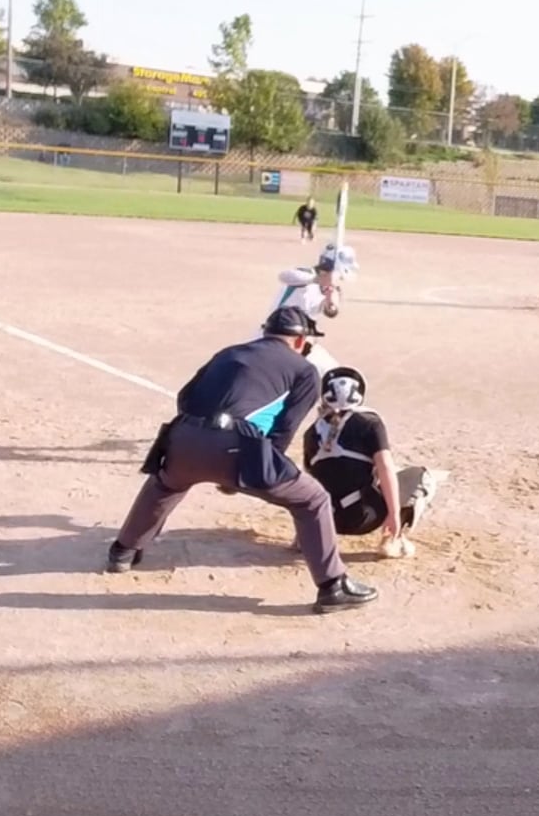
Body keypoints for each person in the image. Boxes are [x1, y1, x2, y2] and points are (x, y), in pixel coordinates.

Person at [105, 306, 377, 614]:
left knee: (165, 485)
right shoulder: (304, 371)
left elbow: (185, 397)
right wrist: (248, 472)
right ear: (301, 341)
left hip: (182, 437)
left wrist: (196, 443)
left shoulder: (228, 353)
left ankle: (123, 551)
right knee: (312, 499)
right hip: (237, 446)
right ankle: (332, 586)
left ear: (266, 332)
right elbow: (283, 431)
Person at [303, 366, 443, 557]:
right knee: (420, 477)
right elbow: (385, 467)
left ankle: (309, 536)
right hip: (364, 517)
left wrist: (304, 529)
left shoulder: (311, 433)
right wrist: (393, 514)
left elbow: (309, 482)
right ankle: (394, 538)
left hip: (325, 521)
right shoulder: (369, 423)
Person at [267, 246, 355, 375]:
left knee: (333, 373)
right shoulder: (306, 274)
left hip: (301, 344)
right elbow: (284, 276)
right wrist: (317, 280)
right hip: (273, 337)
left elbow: (331, 312)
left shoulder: (332, 288)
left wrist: (330, 300)